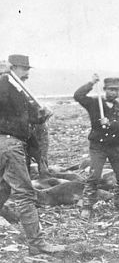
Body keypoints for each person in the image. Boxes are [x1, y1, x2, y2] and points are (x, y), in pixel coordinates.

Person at [0, 55, 65, 255]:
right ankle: (36, 244)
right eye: (24, 69)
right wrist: (2, 76)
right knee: (25, 194)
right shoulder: (4, 86)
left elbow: (28, 119)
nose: (27, 73)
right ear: (13, 68)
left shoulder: (18, 90)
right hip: (9, 145)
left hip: (12, 143)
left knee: (3, 189)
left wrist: (42, 115)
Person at [74, 74, 119, 218]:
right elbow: (78, 95)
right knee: (94, 176)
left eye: (116, 90)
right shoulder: (94, 103)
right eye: (111, 90)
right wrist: (91, 82)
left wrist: (110, 123)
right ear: (105, 89)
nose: (114, 93)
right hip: (97, 147)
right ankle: (87, 206)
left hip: (115, 147)